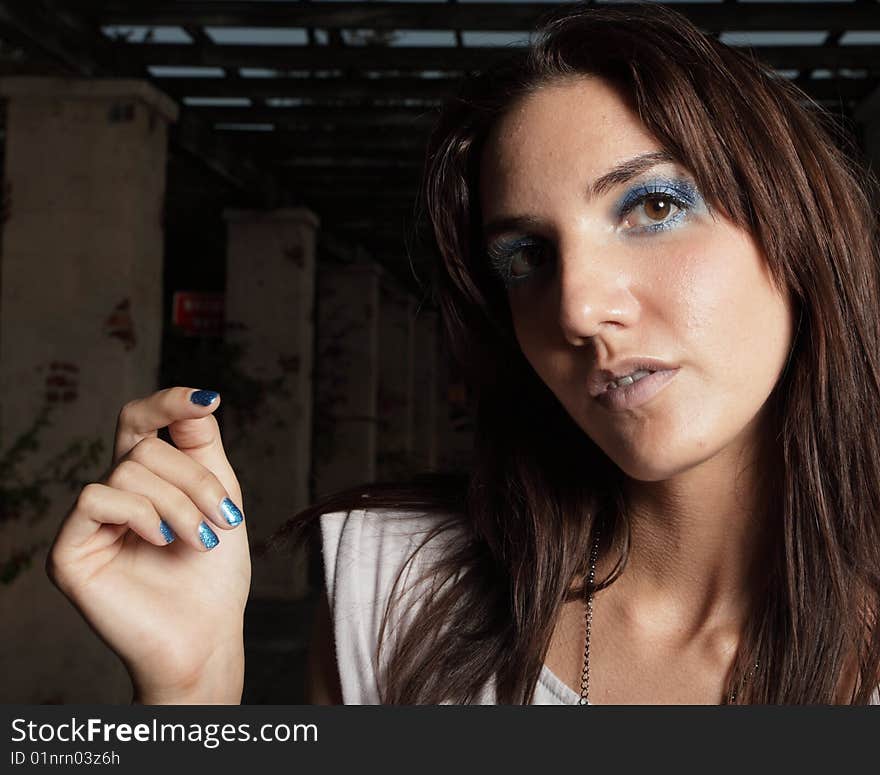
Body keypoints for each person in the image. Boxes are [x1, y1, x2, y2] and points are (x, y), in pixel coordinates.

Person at [47, 3, 880, 705]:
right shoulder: (397, 590)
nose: (580, 308)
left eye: (653, 206)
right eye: (525, 257)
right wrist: (190, 695)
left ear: (798, 230)